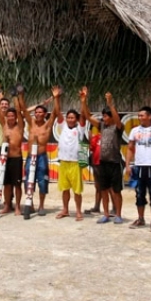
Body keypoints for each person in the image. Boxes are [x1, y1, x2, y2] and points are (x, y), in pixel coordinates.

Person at [82, 89, 125, 224]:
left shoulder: (118, 127)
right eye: (103, 117)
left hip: (114, 163)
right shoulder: (102, 127)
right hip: (102, 163)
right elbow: (88, 116)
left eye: (106, 116)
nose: (103, 119)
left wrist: (110, 104)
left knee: (116, 191)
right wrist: (84, 101)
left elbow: (117, 121)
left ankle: (118, 214)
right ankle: (106, 214)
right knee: (104, 190)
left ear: (111, 116)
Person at [18, 86, 60, 216]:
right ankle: (29, 204)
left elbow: (55, 113)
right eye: (36, 112)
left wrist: (56, 98)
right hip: (31, 156)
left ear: (45, 114)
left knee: (42, 181)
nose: (38, 114)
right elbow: (24, 110)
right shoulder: (31, 123)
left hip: (41, 156)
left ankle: (41, 206)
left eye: (41, 112)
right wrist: (21, 95)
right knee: (28, 181)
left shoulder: (47, 125)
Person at [54, 88, 87, 221]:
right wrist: (56, 98)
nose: (70, 119)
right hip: (63, 162)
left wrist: (83, 101)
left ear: (77, 119)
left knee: (77, 190)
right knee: (65, 189)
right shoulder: (63, 126)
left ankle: (78, 211)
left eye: (73, 117)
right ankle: (65, 210)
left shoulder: (80, 128)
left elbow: (84, 115)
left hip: (75, 163)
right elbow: (57, 112)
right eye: (68, 117)